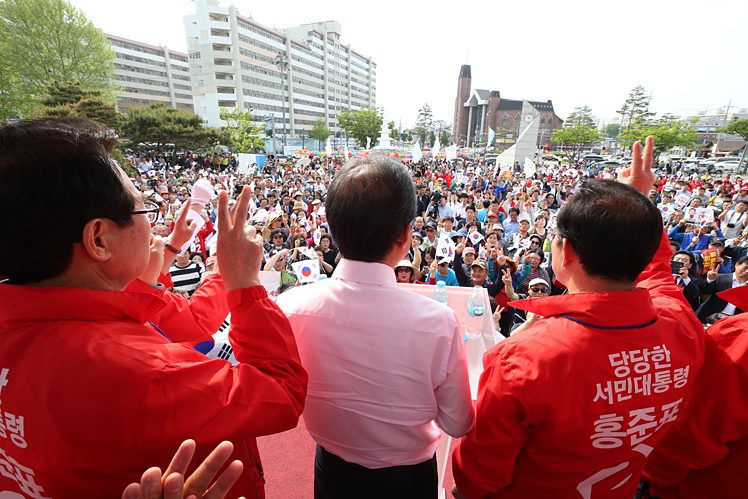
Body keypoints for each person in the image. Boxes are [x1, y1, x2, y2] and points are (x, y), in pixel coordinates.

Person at [0, 119, 307, 498]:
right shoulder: (145, 373)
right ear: (99, 238)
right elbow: (280, 393)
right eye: (144, 207)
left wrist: (173, 254)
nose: (154, 223)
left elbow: (125, 311)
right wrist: (243, 282)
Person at [451, 137, 705, 499]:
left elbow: (479, 472)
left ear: (565, 251)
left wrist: (634, 199)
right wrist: (635, 206)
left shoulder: (525, 359)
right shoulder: (682, 325)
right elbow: (658, 270)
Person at [277, 155, 474, 499]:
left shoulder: (291, 307)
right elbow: (458, 423)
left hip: (332, 471)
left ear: (333, 230)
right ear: (405, 234)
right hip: (408, 480)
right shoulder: (437, 322)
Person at [695, 255, 748, 322]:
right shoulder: (719, 278)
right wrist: (710, 280)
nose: (747, 271)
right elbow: (705, 292)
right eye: (745, 268)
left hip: (733, 321)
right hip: (709, 318)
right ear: (737, 265)